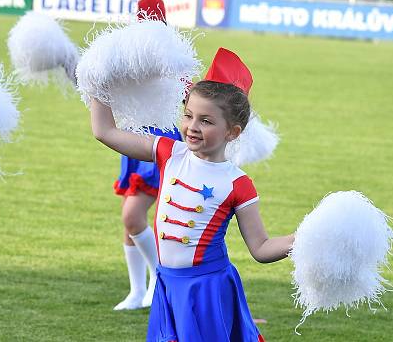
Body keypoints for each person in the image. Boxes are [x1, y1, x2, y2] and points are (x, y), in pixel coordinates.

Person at [89, 48, 294, 341]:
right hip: (168, 286)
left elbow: (261, 248)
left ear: (232, 132)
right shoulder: (169, 152)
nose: (192, 127)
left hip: (207, 290)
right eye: (188, 115)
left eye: (206, 121)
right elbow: (104, 131)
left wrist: (308, 238)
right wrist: (96, 79)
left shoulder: (237, 183)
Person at [111, 0, 184, 311]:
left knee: (133, 214)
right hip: (134, 142)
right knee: (130, 221)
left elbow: (188, 94)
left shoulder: (170, 59)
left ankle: (160, 279)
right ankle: (137, 291)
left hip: (161, 144)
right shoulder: (129, 57)